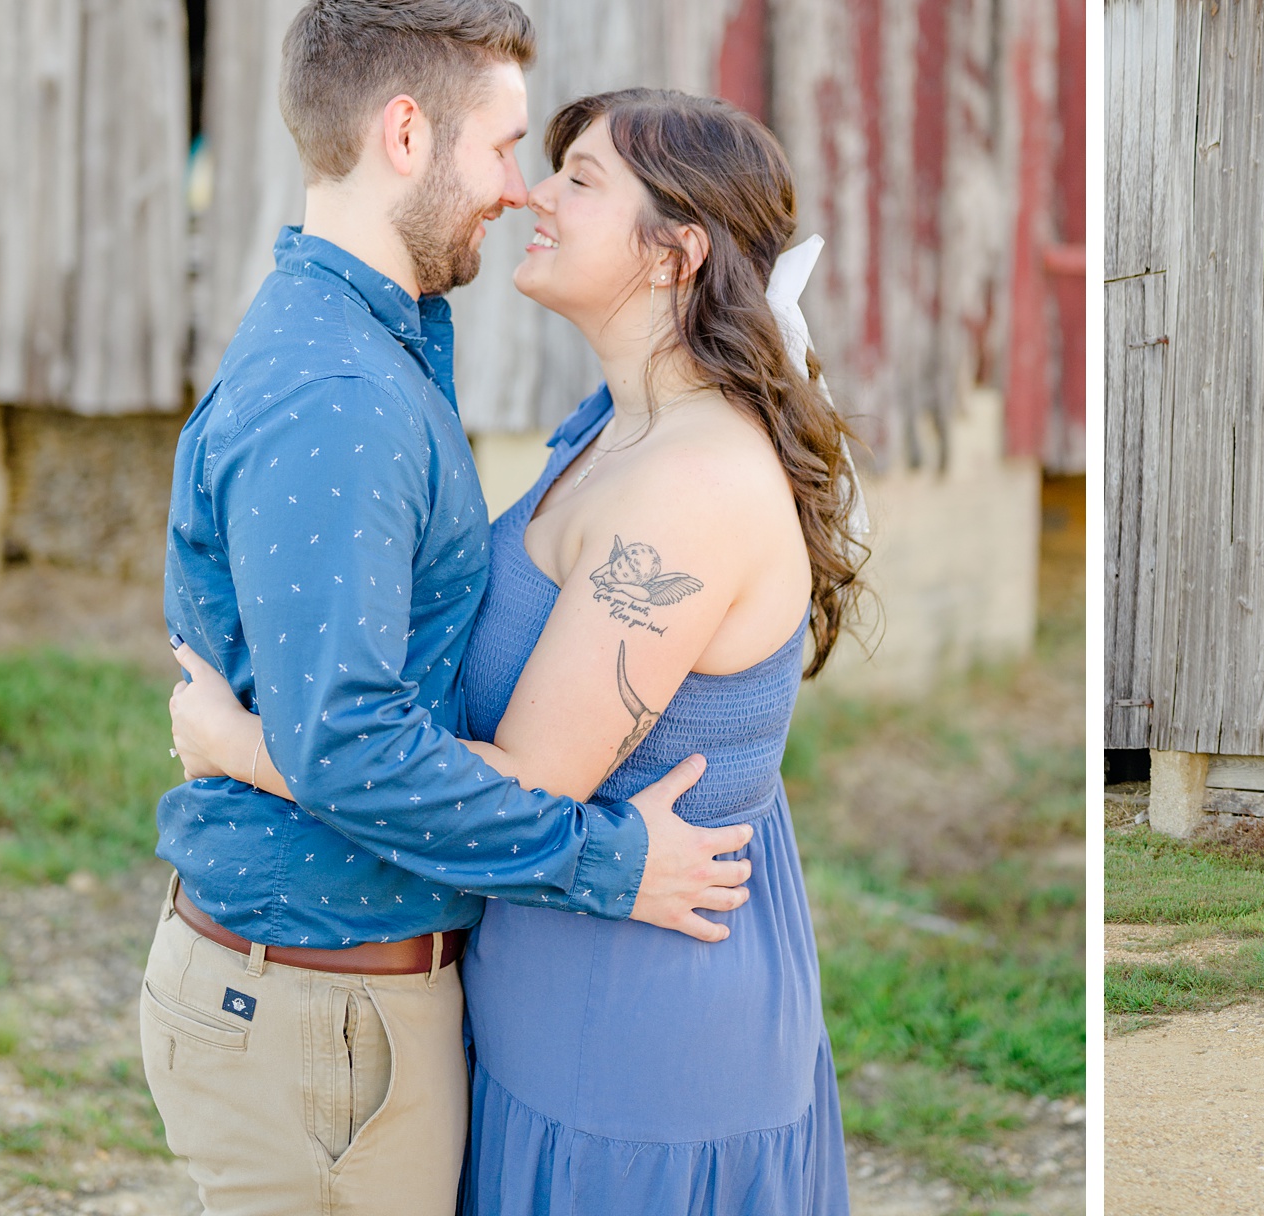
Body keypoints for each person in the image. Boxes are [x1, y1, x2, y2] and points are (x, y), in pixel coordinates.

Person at [175, 85, 863, 1213]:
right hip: (553, 979)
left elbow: (535, 782)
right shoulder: (615, 426)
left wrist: (237, 741)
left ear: (675, 253)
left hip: (634, 1029)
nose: (531, 194)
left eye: (580, 180)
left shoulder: (687, 486)